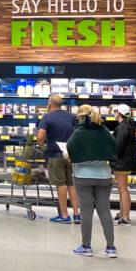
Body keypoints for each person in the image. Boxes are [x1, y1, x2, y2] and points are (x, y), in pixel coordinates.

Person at [66, 104, 118, 258]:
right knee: (105, 211)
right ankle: (111, 247)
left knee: (86, 212)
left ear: (81, 117)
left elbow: (69, 148)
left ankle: (86, 247)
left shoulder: (80, 132)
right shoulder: (104, 130)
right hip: (104, 175)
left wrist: (69, 156)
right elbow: (114, 146)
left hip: (83, 176)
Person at [36, 94, 78, 224]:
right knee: (72, 184)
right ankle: (77, 214)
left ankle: (64, 215)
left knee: (60, 184)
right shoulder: (71, 116)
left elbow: (40, 136)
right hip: (70, 155)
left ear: (49, 104)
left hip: (55, 154)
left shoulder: (47, 117)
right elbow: (76, 132)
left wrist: (41, 144)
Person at [111, 104, 136, 225]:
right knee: (121, 189)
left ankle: (126, 216)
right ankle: (122, 212)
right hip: (124, 161)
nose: (114, 113)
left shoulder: (123, 128)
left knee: (123, 189)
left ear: (118, 112)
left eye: (115, 111)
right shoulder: (127, 126)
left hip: (122, 162)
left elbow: (119, 146)